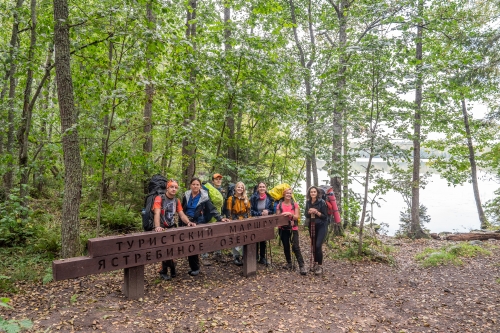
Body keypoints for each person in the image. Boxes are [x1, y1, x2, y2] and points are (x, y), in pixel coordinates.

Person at [181, 177, 229, 276]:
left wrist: (220, 218)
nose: (195, 186)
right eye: (193, 184)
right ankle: (194, 267)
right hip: (187, 221)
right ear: (190, 185)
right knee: (189, 244)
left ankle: (196, 268)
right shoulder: (186, 195)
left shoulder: (204, 197)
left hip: (198, 221)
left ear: (200, 186)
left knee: (194, 244)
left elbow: (212, 209)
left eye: (197, 184)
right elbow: (181, 210)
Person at [152, 179, 193, 281]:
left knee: (172, 250)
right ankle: (164, 271)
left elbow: (181, 214)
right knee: (165, 250)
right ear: (167, 187)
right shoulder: (159, 198)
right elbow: (156, 213)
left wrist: (188, 222)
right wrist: (157, 226)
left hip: (171, 227)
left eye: (176, 187)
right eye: (172, 187)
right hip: (161, 228)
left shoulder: (176, 200)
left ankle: (172, 269)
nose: (174, 189)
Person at [276, 187, 306, 275]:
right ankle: (289, 263)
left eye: (290, 193)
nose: (289, 195)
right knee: (286, 246)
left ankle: (302, 265)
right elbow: (277, 217)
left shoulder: (294, 204)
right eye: (287, 193)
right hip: (283, 228)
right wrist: (282, 216)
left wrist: (290, 214)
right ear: (283, 195)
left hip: (293, 228)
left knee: (296, 246)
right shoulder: (279, 205)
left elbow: (297, 216)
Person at [226, 181, 251, 266]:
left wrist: (249, 220)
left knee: (245, 237)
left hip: (244, 220)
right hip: (235, 219)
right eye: (238, 187)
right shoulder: (231, 199)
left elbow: (249, 211)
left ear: (243, 189)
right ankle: (236, 257)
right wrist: (230, 221)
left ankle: (244, 256)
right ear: (235, 188)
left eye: (241, 187)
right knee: (236, 238)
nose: (240, 189)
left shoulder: (246, 199)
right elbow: (228, 212)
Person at [305, 186, 329, 276]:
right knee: (314, 245)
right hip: (312, 225)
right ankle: (315, 262)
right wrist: (309, 212)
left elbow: (325, 216)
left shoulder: (322, 202)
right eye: (311, 192)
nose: (313, 193)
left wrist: (316, 212)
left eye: (314, 192)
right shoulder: (308, 202)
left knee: (318, 245)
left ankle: (320, 265)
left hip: (321, 226)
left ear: (317, 193)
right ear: (309, 193)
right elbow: (306, 215)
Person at [250, 182, 274, 265]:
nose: (262, 188)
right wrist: (260, 214)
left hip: (265, 221)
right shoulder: (253, 197)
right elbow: (250, 210)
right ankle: (255, 256)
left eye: (263, 187)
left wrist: (268, 211)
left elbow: (272, 210)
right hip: (255, 220)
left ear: (266, 188)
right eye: (260, 187)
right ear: (258, 188)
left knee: (263, 239)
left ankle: (262, 257)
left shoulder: (269, 198)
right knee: (256, 238)